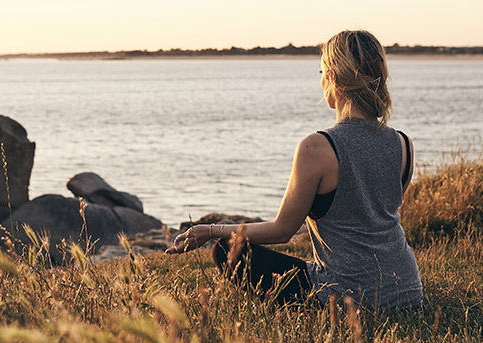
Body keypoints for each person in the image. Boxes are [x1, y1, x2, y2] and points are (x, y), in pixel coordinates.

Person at [166, 29, 423, 312]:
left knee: (228, 250)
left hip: (347, 297)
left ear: (333, 77)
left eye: (322, 71)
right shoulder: (403, 143)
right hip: (407, 291)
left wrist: (210, 230)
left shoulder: (317, 147)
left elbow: (282, 230)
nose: (322, 79)